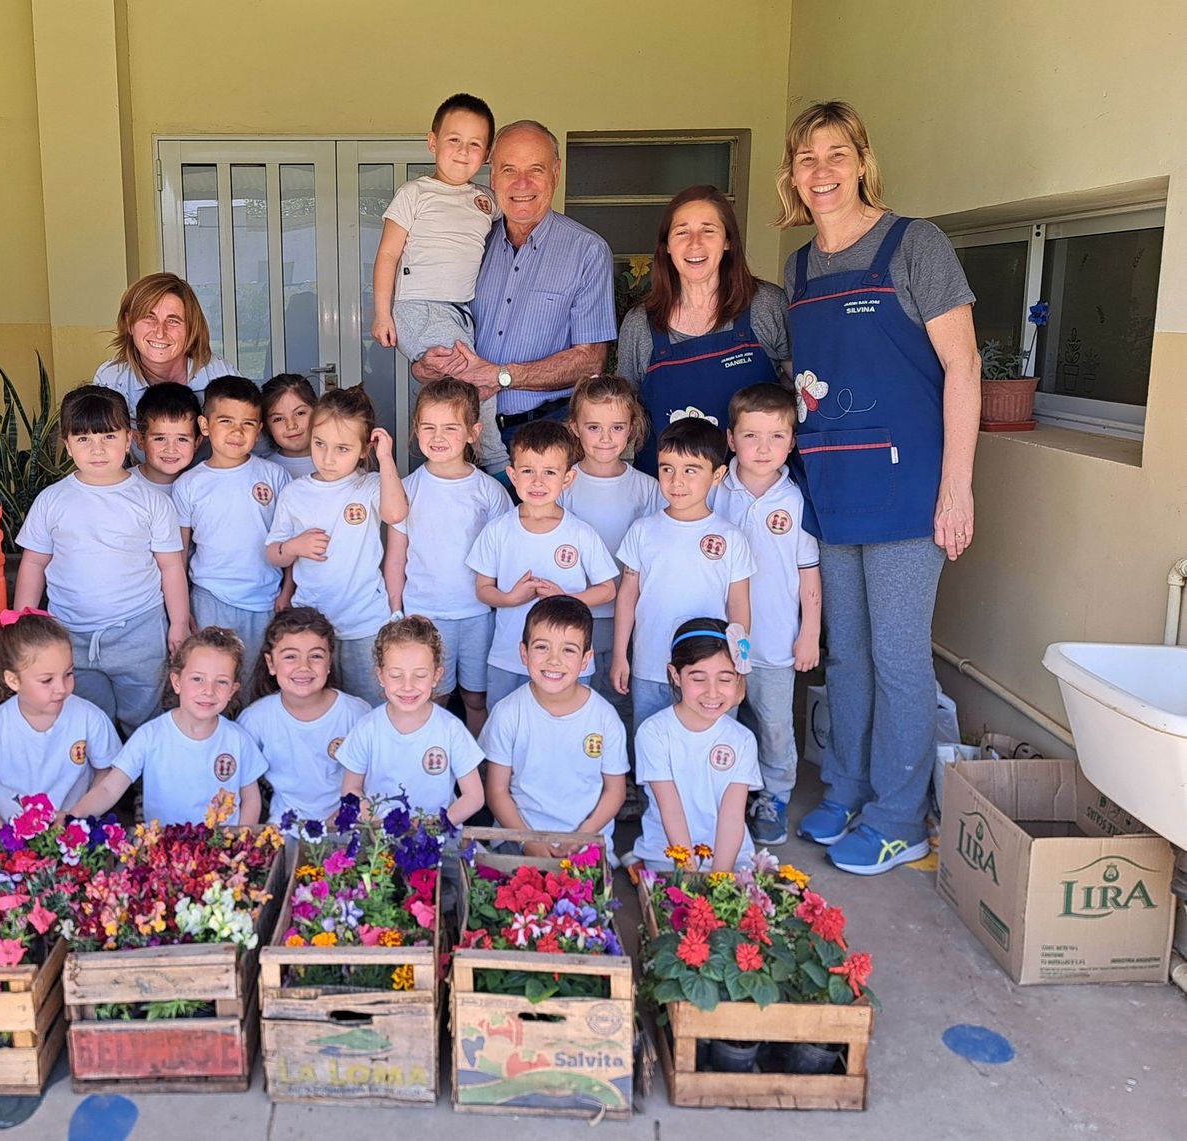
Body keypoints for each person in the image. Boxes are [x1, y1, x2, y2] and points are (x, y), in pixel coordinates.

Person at [776, 101, 979, 875]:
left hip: (906, 489)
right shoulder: (797, 268)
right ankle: (850, 786)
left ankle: (900, 816)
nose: (820, 170)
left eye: (835, 154)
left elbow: (962, 367)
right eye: (805, 157)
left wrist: (955, 488)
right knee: (847, 652)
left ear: (861, 160)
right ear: (791, 173)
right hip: (830, 484)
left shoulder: (914, 244)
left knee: (898, 656)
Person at [411, 120, 615, 473]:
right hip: (466, 439)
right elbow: (440, 321)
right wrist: (425, 366)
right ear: (492, 177)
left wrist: (502, 375)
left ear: (556, 172)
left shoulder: (587, 251)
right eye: (509, 170)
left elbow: (590, 361)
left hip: (548, 438)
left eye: (535, 169)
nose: (522, 184)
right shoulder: (470, 244)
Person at [14, 385, 187, 736]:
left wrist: (179, 623)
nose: (97, 449)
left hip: (139, 633)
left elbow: (171, 567)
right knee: (89, 721)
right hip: (70, 635)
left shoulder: (152, 501)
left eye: (108, 436)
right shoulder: (52, 501)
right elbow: (33, 564)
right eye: (83, 439)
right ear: (66, 445)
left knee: (145, 718)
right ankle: (99, 784)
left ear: (129, 439)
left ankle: (142, 784)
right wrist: (22, 621)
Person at [711, 384, 822, 846]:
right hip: (719, 640)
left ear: (792, 442)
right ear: (731, 439)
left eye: (777, 436)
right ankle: (724, 791)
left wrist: (810, 634)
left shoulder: (796, 501)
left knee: (774, 723)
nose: (763, 448)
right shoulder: (714, 489)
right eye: (751, 436)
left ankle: (773, 796)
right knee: (722, 717)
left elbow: (809, 575)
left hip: (776, 640)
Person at [616, 185, 790, 474]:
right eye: (682, 232)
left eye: (708, 230)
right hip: (668, 499)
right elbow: (623, 416)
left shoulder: (765, 306)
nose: (694, 243)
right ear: (667, 246)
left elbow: (799, 387)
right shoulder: (640, 323)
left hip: (751, 497)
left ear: (727, 241)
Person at [371, 93, 503, 467]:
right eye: (454, 140)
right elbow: (387, 255)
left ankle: (457, 467)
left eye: (475, 144)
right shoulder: (415, 193)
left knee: (457, 393)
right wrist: (382, 314)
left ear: (487, 153)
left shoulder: (485, 201)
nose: (463, 151)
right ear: (433, 142)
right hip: (422, 308)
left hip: (459, 313)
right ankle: (493, 464)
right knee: (477, 385)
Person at [265, 386, 409, 706]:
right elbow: (272, 553)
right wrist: (293, 547)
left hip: (363, 623)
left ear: (363, 449)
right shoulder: (295, 493)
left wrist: (384, 457)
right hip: (310, 626)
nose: (327, 458)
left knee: (369, 705)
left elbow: (396, 513)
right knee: (314, 704)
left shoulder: (369, 485)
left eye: (342, 448)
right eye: (320, 444)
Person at [385, 378, 511, 735]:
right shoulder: (407, 489)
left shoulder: (489, 492)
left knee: (475, 698)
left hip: (475, 615)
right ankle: (431, 772)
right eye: (429, 427)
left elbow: (503, 560)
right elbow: (396, 557)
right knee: (430, 698)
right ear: (416, 430)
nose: (438, 437)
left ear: (473, 432)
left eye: (450, 428)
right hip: (424, 615)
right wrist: (396, 611)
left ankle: (480, 772)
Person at [612, 417, 754, 729]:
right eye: (667, 469)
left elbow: (739, 606)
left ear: (716, 475)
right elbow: (627, 597)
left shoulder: (730, 537)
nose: (676, 480)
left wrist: (740, 664)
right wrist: (621, 654)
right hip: (651, 666)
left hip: (711, 673)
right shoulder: (643, 531)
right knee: (651, 743)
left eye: (690, 470)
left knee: (712, 748)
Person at [466, 419, 618, 706]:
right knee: (506, 728)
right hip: (509, 656)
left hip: (566, 662)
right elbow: (483, 588)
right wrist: (511, 598)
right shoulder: (498, 530)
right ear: (512, 475)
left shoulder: (579, 532)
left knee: (568, 730)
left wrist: (567, 599)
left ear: (567, 479)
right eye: (527, 471)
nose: (537, 481)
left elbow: (607, 589)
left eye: (549, 472)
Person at [479, 596, 628, 863]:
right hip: (518, 839)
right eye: (542, 647)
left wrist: (582, 836)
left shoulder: (604, 718)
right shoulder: (508, 713)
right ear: (524, 653)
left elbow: (614, 791)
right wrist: (528, 842)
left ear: (586, 659)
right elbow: (496, 791)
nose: (554, 660)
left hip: (585, 842)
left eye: (568, 650)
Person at [71, 627, 265, 826]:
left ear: (233, 690)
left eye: (221, 682)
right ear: (177, 681)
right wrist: (73, 816)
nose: (208, 691)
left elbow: (251, 798)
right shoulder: (149, 736)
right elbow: (109, 789)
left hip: (219, 850)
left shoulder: (238, 740)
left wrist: (242, 839)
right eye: (197, 679)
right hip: (163, 850)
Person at [558, 375, 665, 737]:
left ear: (632, 428)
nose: (605, 438)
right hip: (575, 614)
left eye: (616, 427)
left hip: (628, 618)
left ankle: (624, 781)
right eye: (594, 427)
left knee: (621, 698)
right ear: (574, 428)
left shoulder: (649, 488)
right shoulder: (561, 485)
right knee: (577, 700)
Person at [174, 375, 291, 690]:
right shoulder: (188, 484)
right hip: (209, 599)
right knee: (213, 684)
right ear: (205, 425)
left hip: (265, 600)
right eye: (226, 421)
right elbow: (180, 553)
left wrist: (287, 592)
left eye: (248, 424)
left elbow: (289, 541)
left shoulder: (275, 476)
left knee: (255, 685)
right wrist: (183, 609)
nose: (238, 432)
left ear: (259, 430)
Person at [0, 609, 121, 832]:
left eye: (69, 674)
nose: (62, 688)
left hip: (73, 835)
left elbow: (108, 773)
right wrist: (1, 834)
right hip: (11, 837)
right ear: (13, 680)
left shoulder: (90, 718)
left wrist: (78, 816)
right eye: (47, 680)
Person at [632, 617, 761, 873]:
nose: (712, 693)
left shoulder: (742, 740)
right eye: (698, 678)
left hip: (732, 857)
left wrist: (719, 879)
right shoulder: (654, 733)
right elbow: (672, 811)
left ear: (737, 678)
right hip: (669, 856)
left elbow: (733, 817)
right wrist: (690, 877)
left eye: (725, 679)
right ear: (675, 675)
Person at [336, 615, 485, 823]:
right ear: (380, 676)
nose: (408, 686)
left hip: (436, 841)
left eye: (420, 675)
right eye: (396, 675)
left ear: (436, 676)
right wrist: (377, 824)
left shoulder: (451, 729)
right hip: (379, 844)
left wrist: (436, 826)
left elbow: (474, 797)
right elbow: (351, 790)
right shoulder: (366, 728)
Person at [236, 607, 370, 829]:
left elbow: (374, 781)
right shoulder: (255, 719)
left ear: (329, 663)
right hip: (283, 828)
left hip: (347, 826)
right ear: (271, 663)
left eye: (316, 656)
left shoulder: (357, 714)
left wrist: (341, 819)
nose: (303, 667)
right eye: (290, 656)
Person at [91, 272, 237, 428]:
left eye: (173, 320)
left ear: (191, 328)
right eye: (149, 317)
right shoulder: (111, 380)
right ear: (129, 323)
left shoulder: (219, 374)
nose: (160, 332)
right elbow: (98, 445)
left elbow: (252, 441)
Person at [132, 381, 201, 507]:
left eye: (182, 439)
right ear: (140, 440)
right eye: (159, 438)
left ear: (197, 443)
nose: (171, 449)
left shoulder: (201, 486)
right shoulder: (124, 486)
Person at [260, 372, 318, 479]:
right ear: (267, 427)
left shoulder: (339, 461)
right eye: (278, 419)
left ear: (318, 412)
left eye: (300, 413)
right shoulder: (264, 471)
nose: (291, 425)